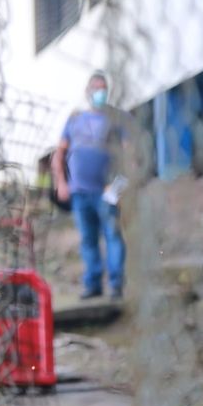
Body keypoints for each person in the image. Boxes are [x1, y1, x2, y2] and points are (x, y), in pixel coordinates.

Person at [52, 72, 131, 300]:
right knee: (88, 240)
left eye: (103, 87)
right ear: (88, 92)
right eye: (96, 87)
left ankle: (116, 284)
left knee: (113, 236)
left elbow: (129, 156)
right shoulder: (74, 120)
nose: (100, 92)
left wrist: (119, 186)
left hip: (106, 191)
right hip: (79, 192)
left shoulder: (116, 120)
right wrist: (61, 183)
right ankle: (93, 284)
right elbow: (59, 154)